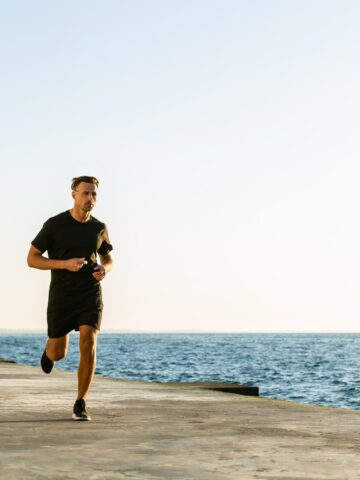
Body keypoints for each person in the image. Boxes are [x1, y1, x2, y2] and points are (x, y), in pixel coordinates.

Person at [27, 176, 113, 421]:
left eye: (94, 194)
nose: (90, 199)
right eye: (85, 193)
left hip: (90, 293)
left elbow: (107, 258)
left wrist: (105, 269)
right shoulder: (55, 225)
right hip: (62, 296)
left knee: (89, 341)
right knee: (59, 353)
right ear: (73, 194)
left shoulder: (99, 227)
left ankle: (80, 402)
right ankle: (49, 350)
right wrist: (64, 264)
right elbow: (32, 258)